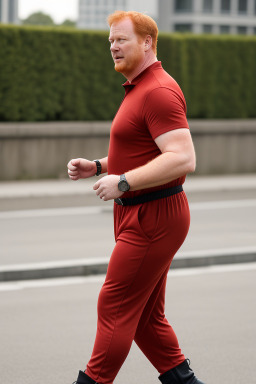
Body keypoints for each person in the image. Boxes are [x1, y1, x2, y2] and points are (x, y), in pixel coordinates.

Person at [68, 10, 205, 384]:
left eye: (121, 39)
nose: (113, 46)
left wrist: (123, 182)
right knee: (144, 317)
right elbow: (146, 152)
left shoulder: (157, 91)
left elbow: (182, 157)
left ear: (147, 42)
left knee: (114, 305)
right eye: (110, 40)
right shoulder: (140, 87)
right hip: (143, 212)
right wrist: (98, 167)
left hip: (152, 217)